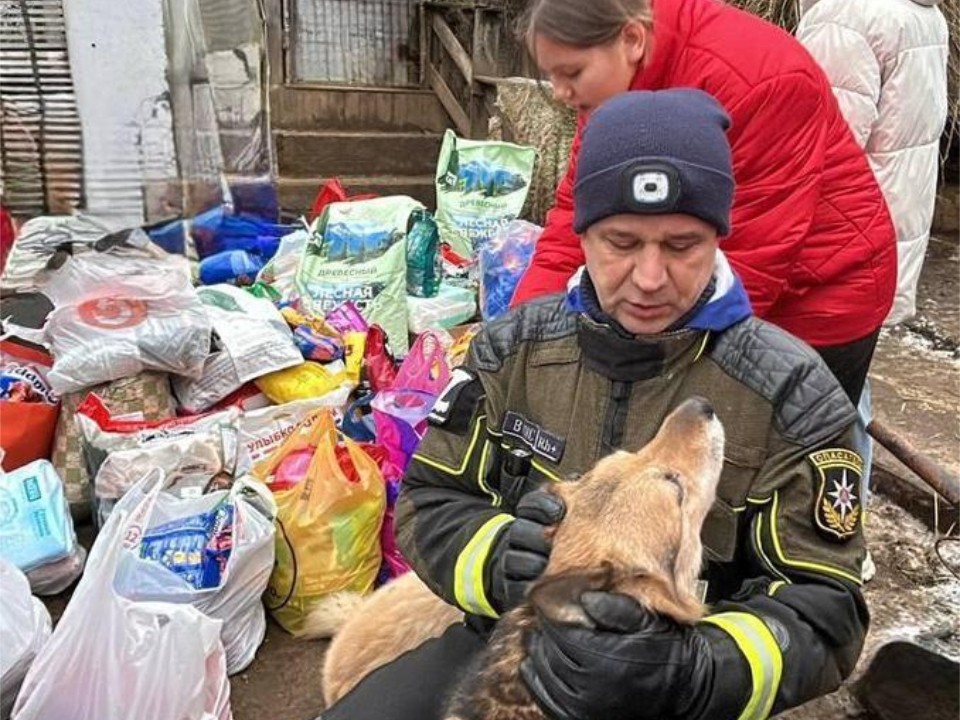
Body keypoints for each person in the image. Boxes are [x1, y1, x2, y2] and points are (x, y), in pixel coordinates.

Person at [320, 89, 868, 720]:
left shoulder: (793, 393)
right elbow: (429, 500)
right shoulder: (511, 348)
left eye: (682, 244)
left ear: (719, 236)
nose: (649, 277)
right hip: (508, 647)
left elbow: (826, 611)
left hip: (679, 692)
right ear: (581, 233)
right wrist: (500, 559)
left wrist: (692, 671)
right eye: (622, 241)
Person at [508, 0, 897, 406]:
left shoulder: (759, 79)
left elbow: (754, 260)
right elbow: (575, 220)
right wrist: (516, 345)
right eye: (550, 75)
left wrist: (642, 365)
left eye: (571, 73)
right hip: (697, 274)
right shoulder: (610, 92)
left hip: (821, 291)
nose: (559, 93)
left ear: (632, 39)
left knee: (765, 446)